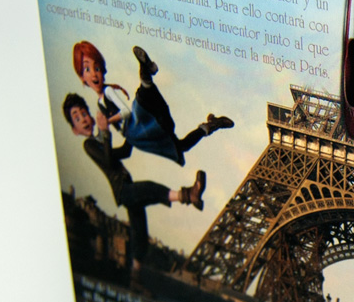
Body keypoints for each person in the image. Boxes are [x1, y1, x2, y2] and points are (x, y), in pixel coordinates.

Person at [63, 93, 206, 283]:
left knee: (140, 233)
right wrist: (105, 132)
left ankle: (134, 278)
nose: (83, 119)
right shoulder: (89, 144)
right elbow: (109, 161)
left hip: (127, 188)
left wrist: (129, 132)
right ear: (75, 130)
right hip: (123, 191)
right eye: (77, 118)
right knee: (150, 188)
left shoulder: (99, 142)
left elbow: (123, 153)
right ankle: (188, 195)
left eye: (84, 113)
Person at [72, 40, 233, 163]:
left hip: (138, 124)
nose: (94, 74)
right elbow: (117, 144)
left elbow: (125, 112)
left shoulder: (108, 93)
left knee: (142, 101)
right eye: (87, 69)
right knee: (180, 146)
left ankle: (145, 72)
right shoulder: (100, 104)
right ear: (81, 77)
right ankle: (211, 125)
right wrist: (102, 143)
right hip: (136, 134)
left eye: (97, 68)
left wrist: (107, 123)